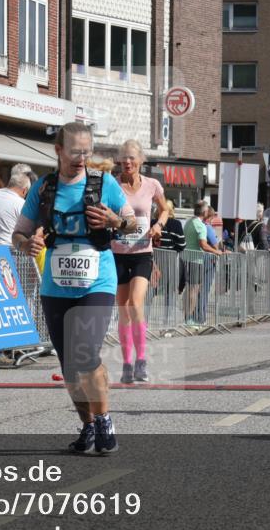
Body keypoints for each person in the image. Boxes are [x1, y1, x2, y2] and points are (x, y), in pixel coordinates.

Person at [11, 122, 136, 454]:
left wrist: (115, 222)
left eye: (87, 150)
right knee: (69, 365)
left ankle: (105, 420)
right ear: (59, 151)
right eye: (75, 150)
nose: (82, 157)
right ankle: (88, 426)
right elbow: (18, 234)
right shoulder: (43, 189)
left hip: (98, 279)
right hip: (56, 285)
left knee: (86, 353)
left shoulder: (103, 183)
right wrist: (28, 244)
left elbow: (133, 222)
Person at [112, 140, 168, 383]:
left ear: (140, 161)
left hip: (143, 252)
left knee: (135, 304)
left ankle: (141, 360)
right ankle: (126, 363)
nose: (127, 162)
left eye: (132, 158)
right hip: (117, 253)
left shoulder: (152, 185)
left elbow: (165, 209)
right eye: (124, 158)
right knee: (123, 309)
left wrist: (158, 225)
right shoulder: (112, 185)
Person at [183, 201, 222, 326]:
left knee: (191, 290)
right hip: (195, 260)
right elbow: (204, 245)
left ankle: (189, 317)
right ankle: (189, 319)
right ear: (205, 212)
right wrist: (217, 252)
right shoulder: (200, 225)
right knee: (194, 290)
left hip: (187, 258)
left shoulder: (189, 221)